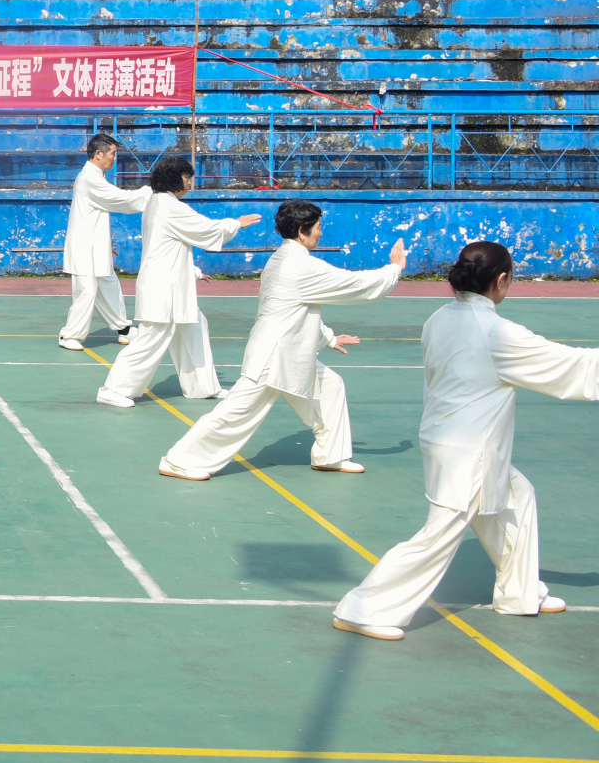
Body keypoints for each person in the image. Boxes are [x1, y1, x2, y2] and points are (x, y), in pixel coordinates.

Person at [332, 242, 587, 640]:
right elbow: (572, 367)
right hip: (472, 448)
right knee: (440, 532)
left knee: (517, 498)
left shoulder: (439, 317)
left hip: (445, 437)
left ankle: (519, 594)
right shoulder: (498, 333)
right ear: (501, 280)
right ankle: (364, 608)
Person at [158, 200, 406, 481]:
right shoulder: (299, 264)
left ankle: (331, 455)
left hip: (290, 350)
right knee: (237, 412)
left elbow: (298, 307)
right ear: (302, 230)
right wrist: (394, 269)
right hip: (274, 353)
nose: (321, 233)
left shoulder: (283, 258)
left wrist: (327, 337)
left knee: (331, 386)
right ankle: (179, 460)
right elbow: (354, 284)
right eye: (318, 228)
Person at [95, 155, 259, 408]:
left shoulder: (158, 203)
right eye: (186, 177)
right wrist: (235, 223)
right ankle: (113, 388)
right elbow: (206, 230)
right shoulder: (169, 206)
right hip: (164, 286)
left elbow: (171, 246)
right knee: (153, 337)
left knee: (194, 326)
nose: (190, 182)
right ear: (174, 179)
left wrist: (193, 271)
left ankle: (201, 387)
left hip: (171, 282)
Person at [58, 134, 150, 351]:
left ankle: (124, 330)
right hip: (84, 247)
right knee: (87, 290)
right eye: (112, 153)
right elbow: (120, 199)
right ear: (98, 154)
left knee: (108, 283)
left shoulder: (96, 176)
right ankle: (69, 335)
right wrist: (150, 190)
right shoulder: (90, 178)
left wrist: (105, 243)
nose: (115, 158)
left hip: (94, 244)